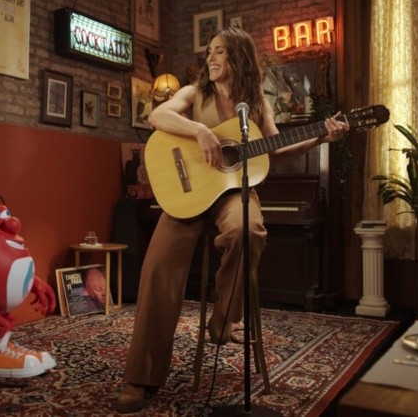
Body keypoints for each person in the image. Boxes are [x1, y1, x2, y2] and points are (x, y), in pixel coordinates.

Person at [113, 27, 349, 413]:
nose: (210, 58)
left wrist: (321, 137)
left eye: (219, 51)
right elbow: (157, 114)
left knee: (249, 229)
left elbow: (278, 151)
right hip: (188, 194)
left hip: (235, 190)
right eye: (209, 51)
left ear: (237, 56)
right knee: (157, 269)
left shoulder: (256, 104)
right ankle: (140, 376)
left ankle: (224, 317)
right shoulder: (195, 92)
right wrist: (200, 131)